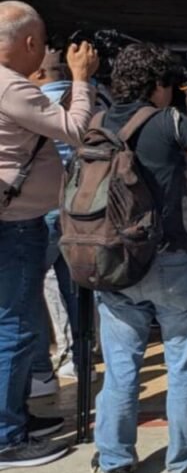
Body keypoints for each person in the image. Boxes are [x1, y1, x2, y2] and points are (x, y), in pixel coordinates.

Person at [91, 44, 187, 473]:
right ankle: (185, 458)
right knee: (183, 363)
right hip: (170, 258)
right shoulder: (168, 121)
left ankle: (115, 460)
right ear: (160, 85)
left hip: (114, 261)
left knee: (121, 366)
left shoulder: (97, 123)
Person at [0, 1, 96, 469]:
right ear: (30, 42)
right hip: (15, 226)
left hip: (16, 221)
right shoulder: (10, 86)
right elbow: (75, 130)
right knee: (15, 327)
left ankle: (16, 415)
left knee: (15, 322)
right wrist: (81, 78)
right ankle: (7, 437)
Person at [27, 53, 92, 386]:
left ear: (39, 71)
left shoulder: (30, 103)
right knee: (75, 288)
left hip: (41, 210)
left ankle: (40, 369)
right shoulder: (91, 100)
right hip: (80, 210)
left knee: (29, 291)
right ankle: (81, 361)